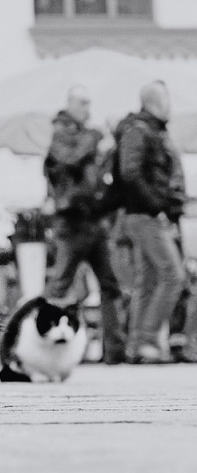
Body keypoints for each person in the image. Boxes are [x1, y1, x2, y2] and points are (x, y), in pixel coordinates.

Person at [44, 85, 127, 365]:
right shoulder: (61, 133)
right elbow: (70, 160)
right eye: (82, 103)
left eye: (89, 104)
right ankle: (43, 343)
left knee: (110, 284)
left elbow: (95, 170)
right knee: (60, 284)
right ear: (69, 104)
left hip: (93, 220)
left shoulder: (82, 136)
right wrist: (94, 136)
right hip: (71, 222)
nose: (87, 110)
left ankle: (115, 351)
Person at [119, 80, 187, 363]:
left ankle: (137, 346)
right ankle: (146, 340)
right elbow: (130, 173)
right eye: (166, 99)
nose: (170, 104)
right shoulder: (140, 130)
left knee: (146, 282)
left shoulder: (148, 129)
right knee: (174, 276)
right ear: (155, 102)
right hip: (146, 216)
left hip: (144, 215)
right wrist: (158, 205)